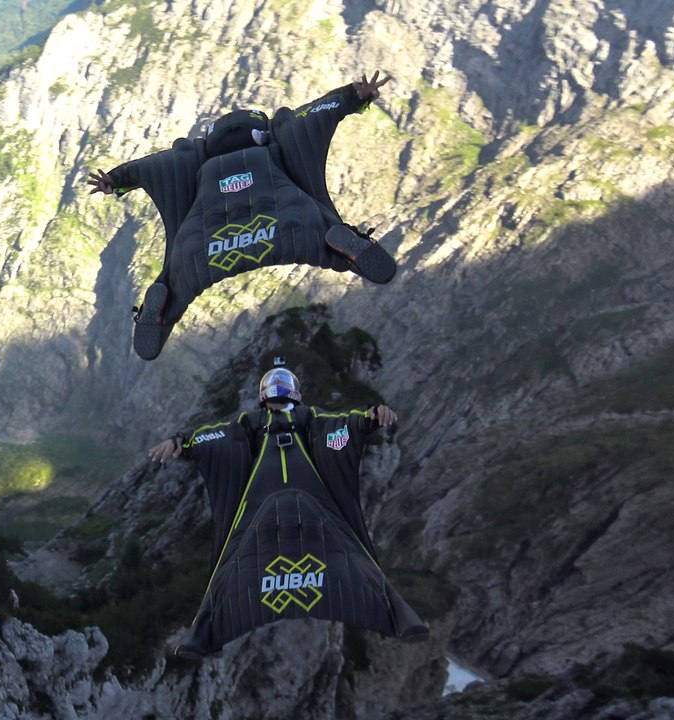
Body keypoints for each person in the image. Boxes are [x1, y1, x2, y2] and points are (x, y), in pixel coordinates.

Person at [88, 72, 396, 361]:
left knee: (176, 277)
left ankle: (161, 309)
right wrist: (354, 97)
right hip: (290, 225)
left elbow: (145, 167)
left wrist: (113, 181)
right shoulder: (284, 136)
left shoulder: (188, 160)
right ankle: (346, 247)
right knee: (326, 236)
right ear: (261, 134)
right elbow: (319, 112)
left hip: (205, 248)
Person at [146, 358, 428, 658]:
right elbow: (214, 437)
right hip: (268, 506)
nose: (278, 392)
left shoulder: (310, 419)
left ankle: (400, 619)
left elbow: (343, 424)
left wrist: (370, 417)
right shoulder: (250, 424)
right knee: (228, 567)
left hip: (302, 503)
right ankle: (204, 637)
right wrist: (182, 443)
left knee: (355, 554)